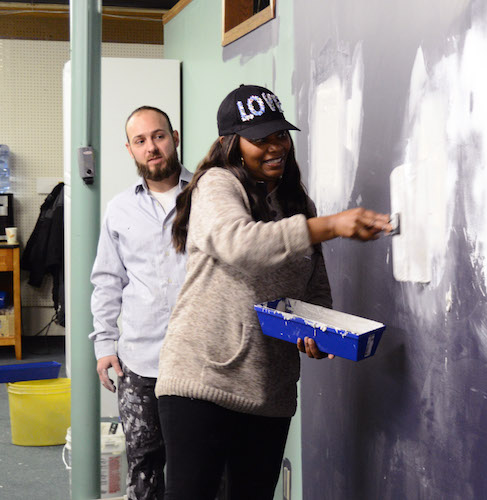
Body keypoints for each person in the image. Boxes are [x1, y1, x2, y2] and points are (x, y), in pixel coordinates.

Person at [155, 84, 391, 500]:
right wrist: (331, 226)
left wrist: (318, 332)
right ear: (232, 144)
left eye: (280, 135)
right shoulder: (216, 184)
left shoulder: (297, 202)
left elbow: (313, 286)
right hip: (201, 378)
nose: (274, 147)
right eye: (259, 139)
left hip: (269, 389)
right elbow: (240, 243)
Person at [90, 106, 192, 500]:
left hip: (199, 364)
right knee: (144, 470)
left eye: (159, 136)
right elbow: (107, 280)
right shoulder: (119, 209)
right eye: (141, 141)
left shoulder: (209, 194)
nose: (152, 147)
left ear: (175, 137)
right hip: (139, 363)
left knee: (202, 472)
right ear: (130, 150)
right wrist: (104, 345)